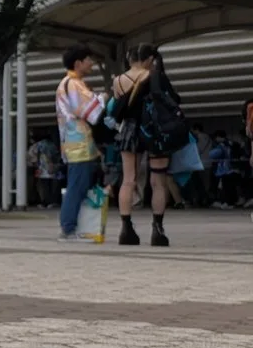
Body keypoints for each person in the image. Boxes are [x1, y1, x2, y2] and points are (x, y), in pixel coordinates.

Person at [111, 44, 182, 247]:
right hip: (154, 131)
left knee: (128, 180)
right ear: (150, 59)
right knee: (158, 181)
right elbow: (174, 99)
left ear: (129, 58)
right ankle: (157, 230)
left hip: (129, 131)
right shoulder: (155, 76)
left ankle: (126, 229)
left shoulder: (118, 80)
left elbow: (118, 106)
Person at [53, 46, 106, 242]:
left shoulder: (68, 83)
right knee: (77, 186)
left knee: (78, 185)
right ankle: (68, 228)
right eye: (88, 59)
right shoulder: (73, 84)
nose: (91, 63)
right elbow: (89, 111)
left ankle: (72, 227)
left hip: (74, 143)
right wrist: (103, 98)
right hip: (78, 144)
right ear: (78, 63)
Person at [31, 132, 63, 209]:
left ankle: (44, 202)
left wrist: (36, 164)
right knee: (52, 186)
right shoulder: (52, 145)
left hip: (42, 168)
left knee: (43, 186)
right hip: (51, 168)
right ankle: (52, 202)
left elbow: (32, 155)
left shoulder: (38, 145)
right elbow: (57, 156)